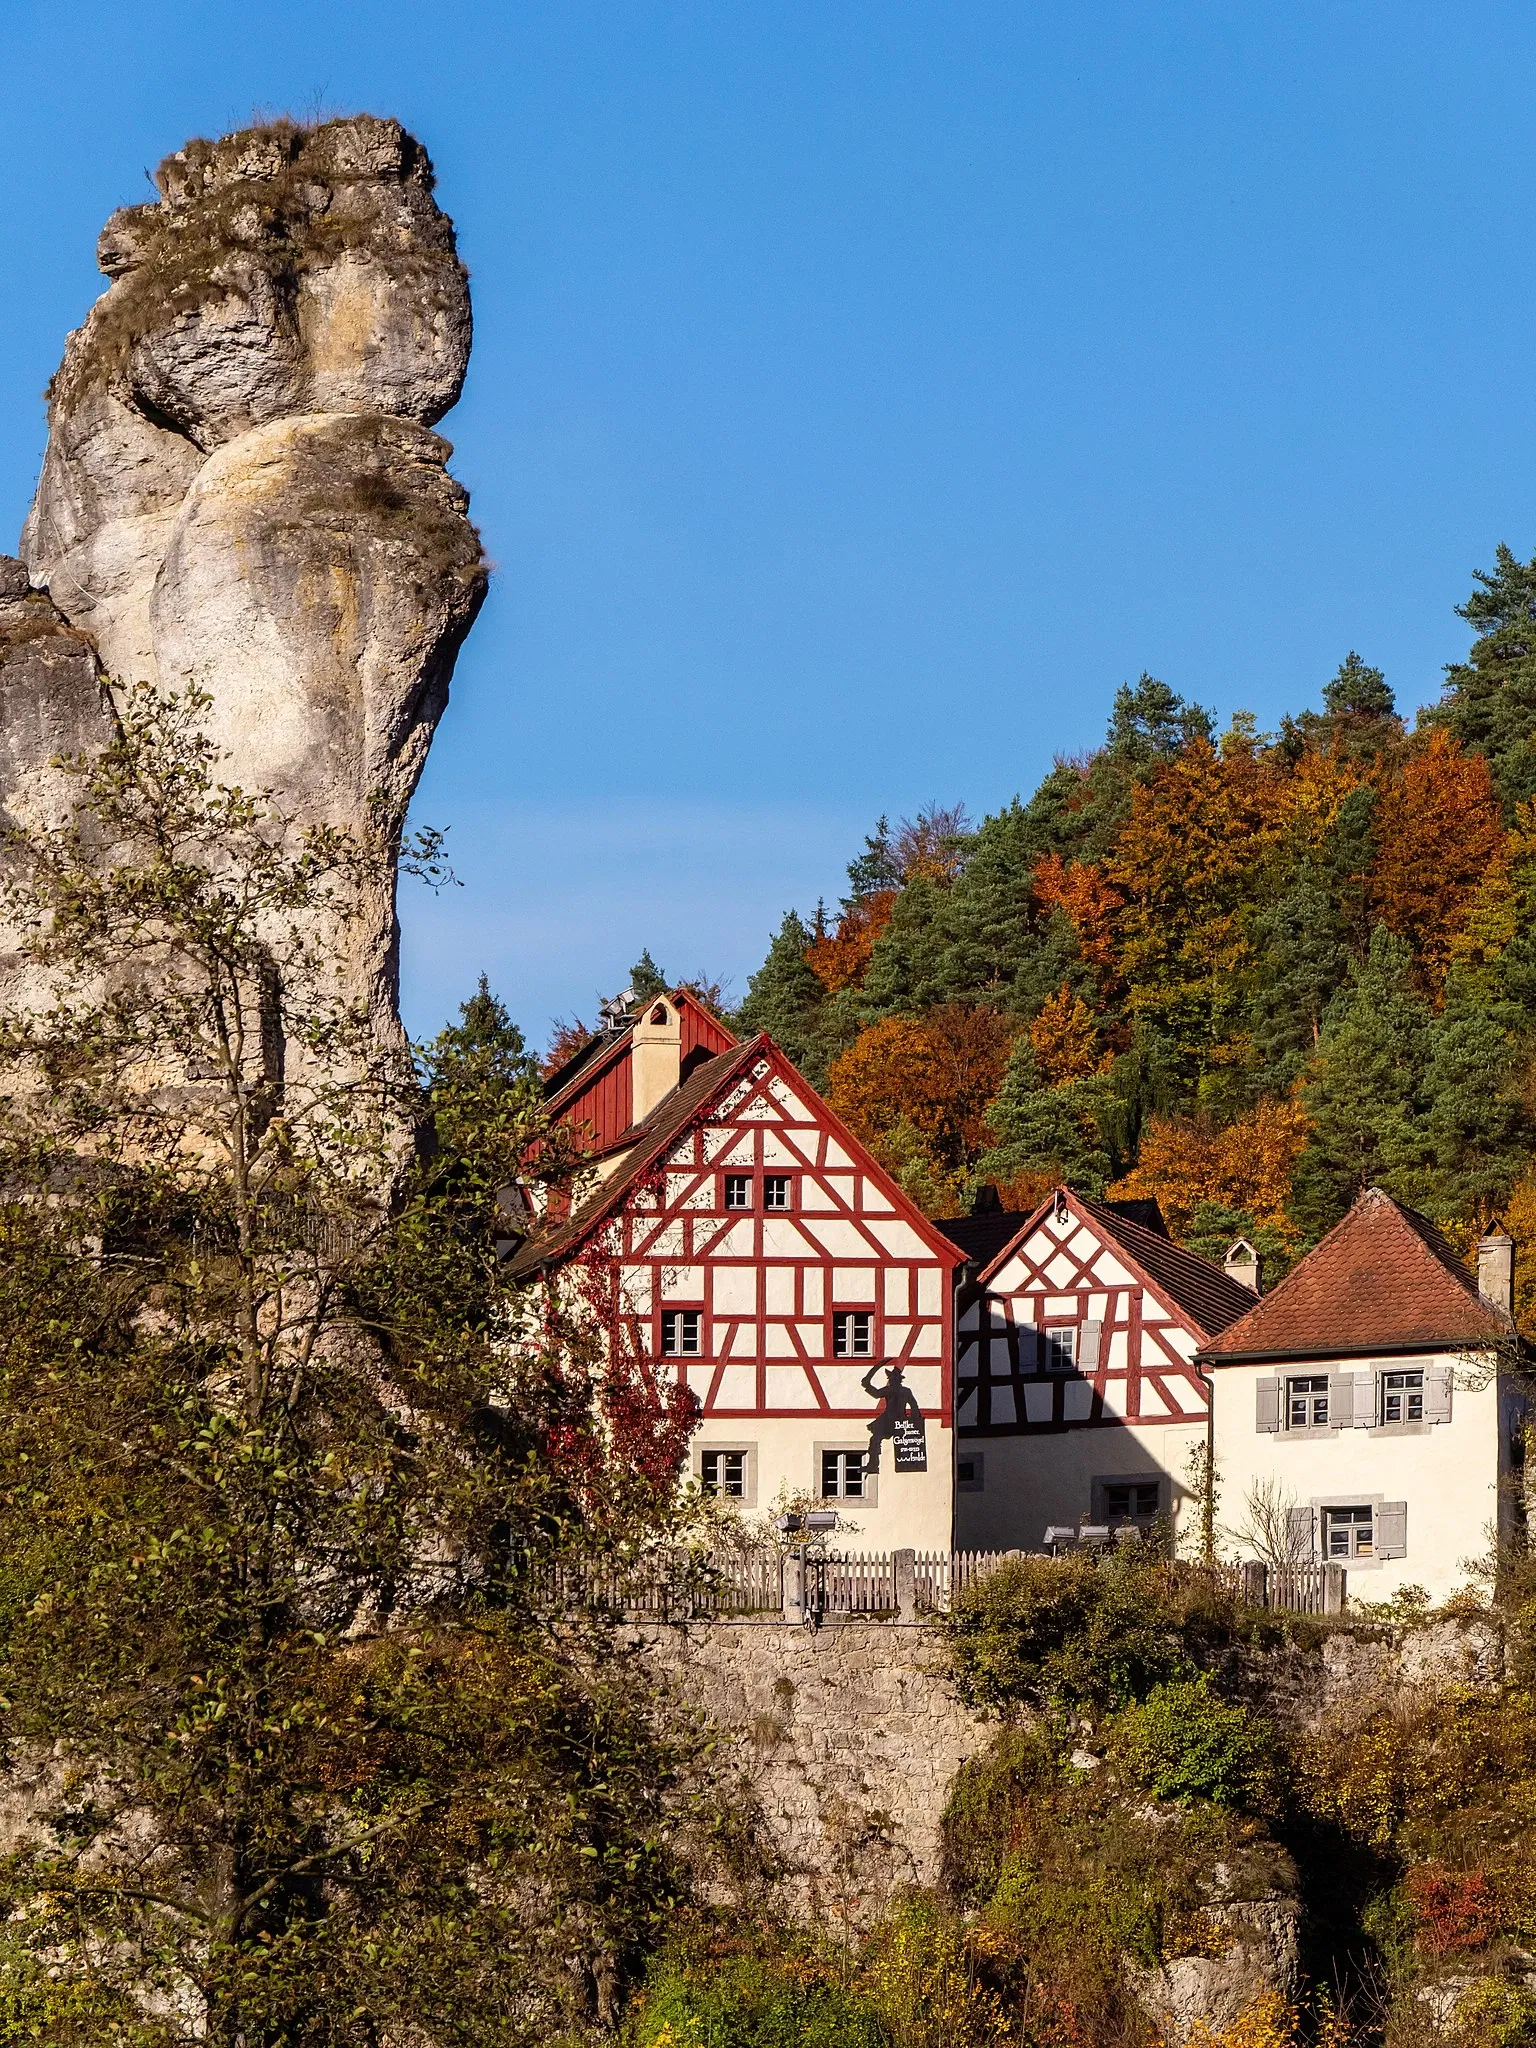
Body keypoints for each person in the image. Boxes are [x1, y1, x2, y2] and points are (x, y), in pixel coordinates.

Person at [860, 1361, 924, 1473]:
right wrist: (914, 1420)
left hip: (889, 1420)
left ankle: (873, 1464)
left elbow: (876, 1394)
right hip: (900, 1420)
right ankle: (873, 1465)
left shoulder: (889, 1389)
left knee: (875, 1440)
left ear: (891, 1379)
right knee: (877, 1440)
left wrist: (867, 1385)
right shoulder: (906, 1391)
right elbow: (914, 1406)